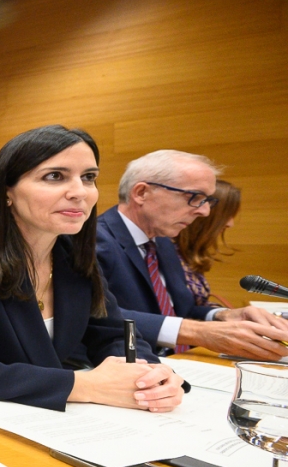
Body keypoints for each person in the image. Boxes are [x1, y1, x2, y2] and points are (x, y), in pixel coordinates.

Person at [0, 125, 184, 412]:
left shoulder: (74, 257)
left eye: (89, 178)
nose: (79, 192)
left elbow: (112, 336)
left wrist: (151, 377)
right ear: (6, 192)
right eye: (54, 176)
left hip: (35, 416)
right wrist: (83, 385)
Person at [97, 151, 288, 359]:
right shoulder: (91, 242)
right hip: (122, 365)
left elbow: (182, 312)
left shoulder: (162, 242)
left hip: (181, 362)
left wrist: (224, 316)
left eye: (208, 200)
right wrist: (198, 333)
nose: (204, 211)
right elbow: (96, 316)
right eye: (195, 197)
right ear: (142, 193)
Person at [176, 179, 240, 307]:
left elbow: (193, 308)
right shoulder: (162, 253)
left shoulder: (188, 252)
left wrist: (224, 314)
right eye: (225, 215)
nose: (230, 224)